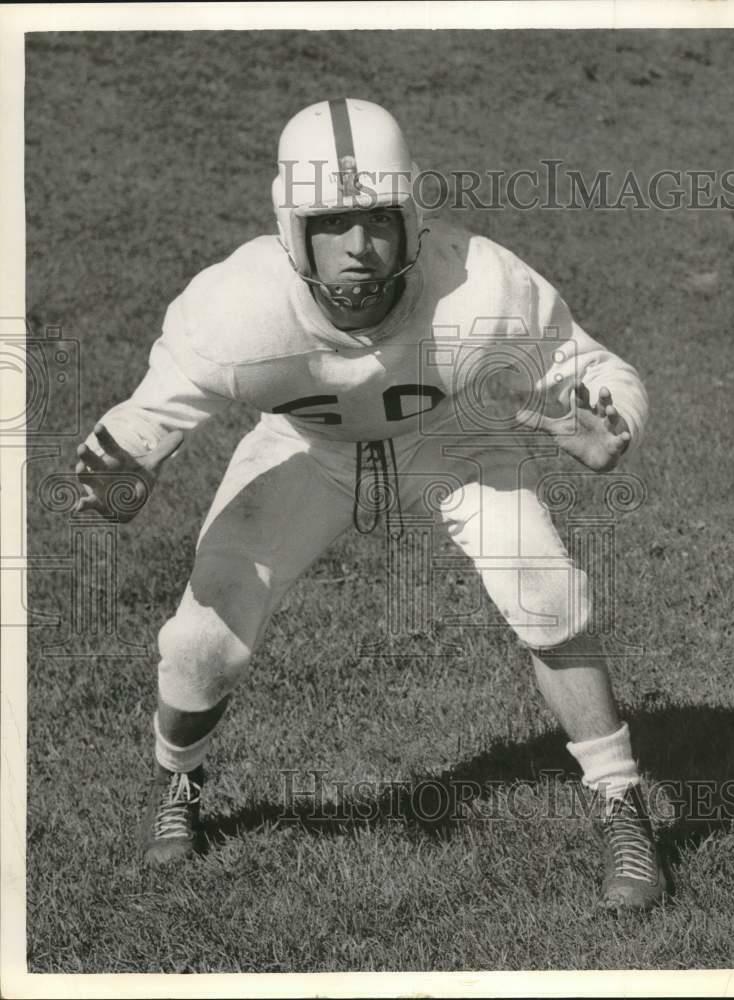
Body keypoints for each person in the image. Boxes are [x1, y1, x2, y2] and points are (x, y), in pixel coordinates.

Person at [75, 98, 667, 911]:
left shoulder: (478, 286)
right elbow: (147, 415)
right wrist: (116, 472)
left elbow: (590, 363)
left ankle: (620, 805)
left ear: (411, 214)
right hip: (307, 449)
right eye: (332, 223)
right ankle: (179, 783)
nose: (358, 248)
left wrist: (611, 420)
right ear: (292, 228)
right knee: (198, 642)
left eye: (377, 220)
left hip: (454, 437)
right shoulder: (237, 311)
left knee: (546, 588)